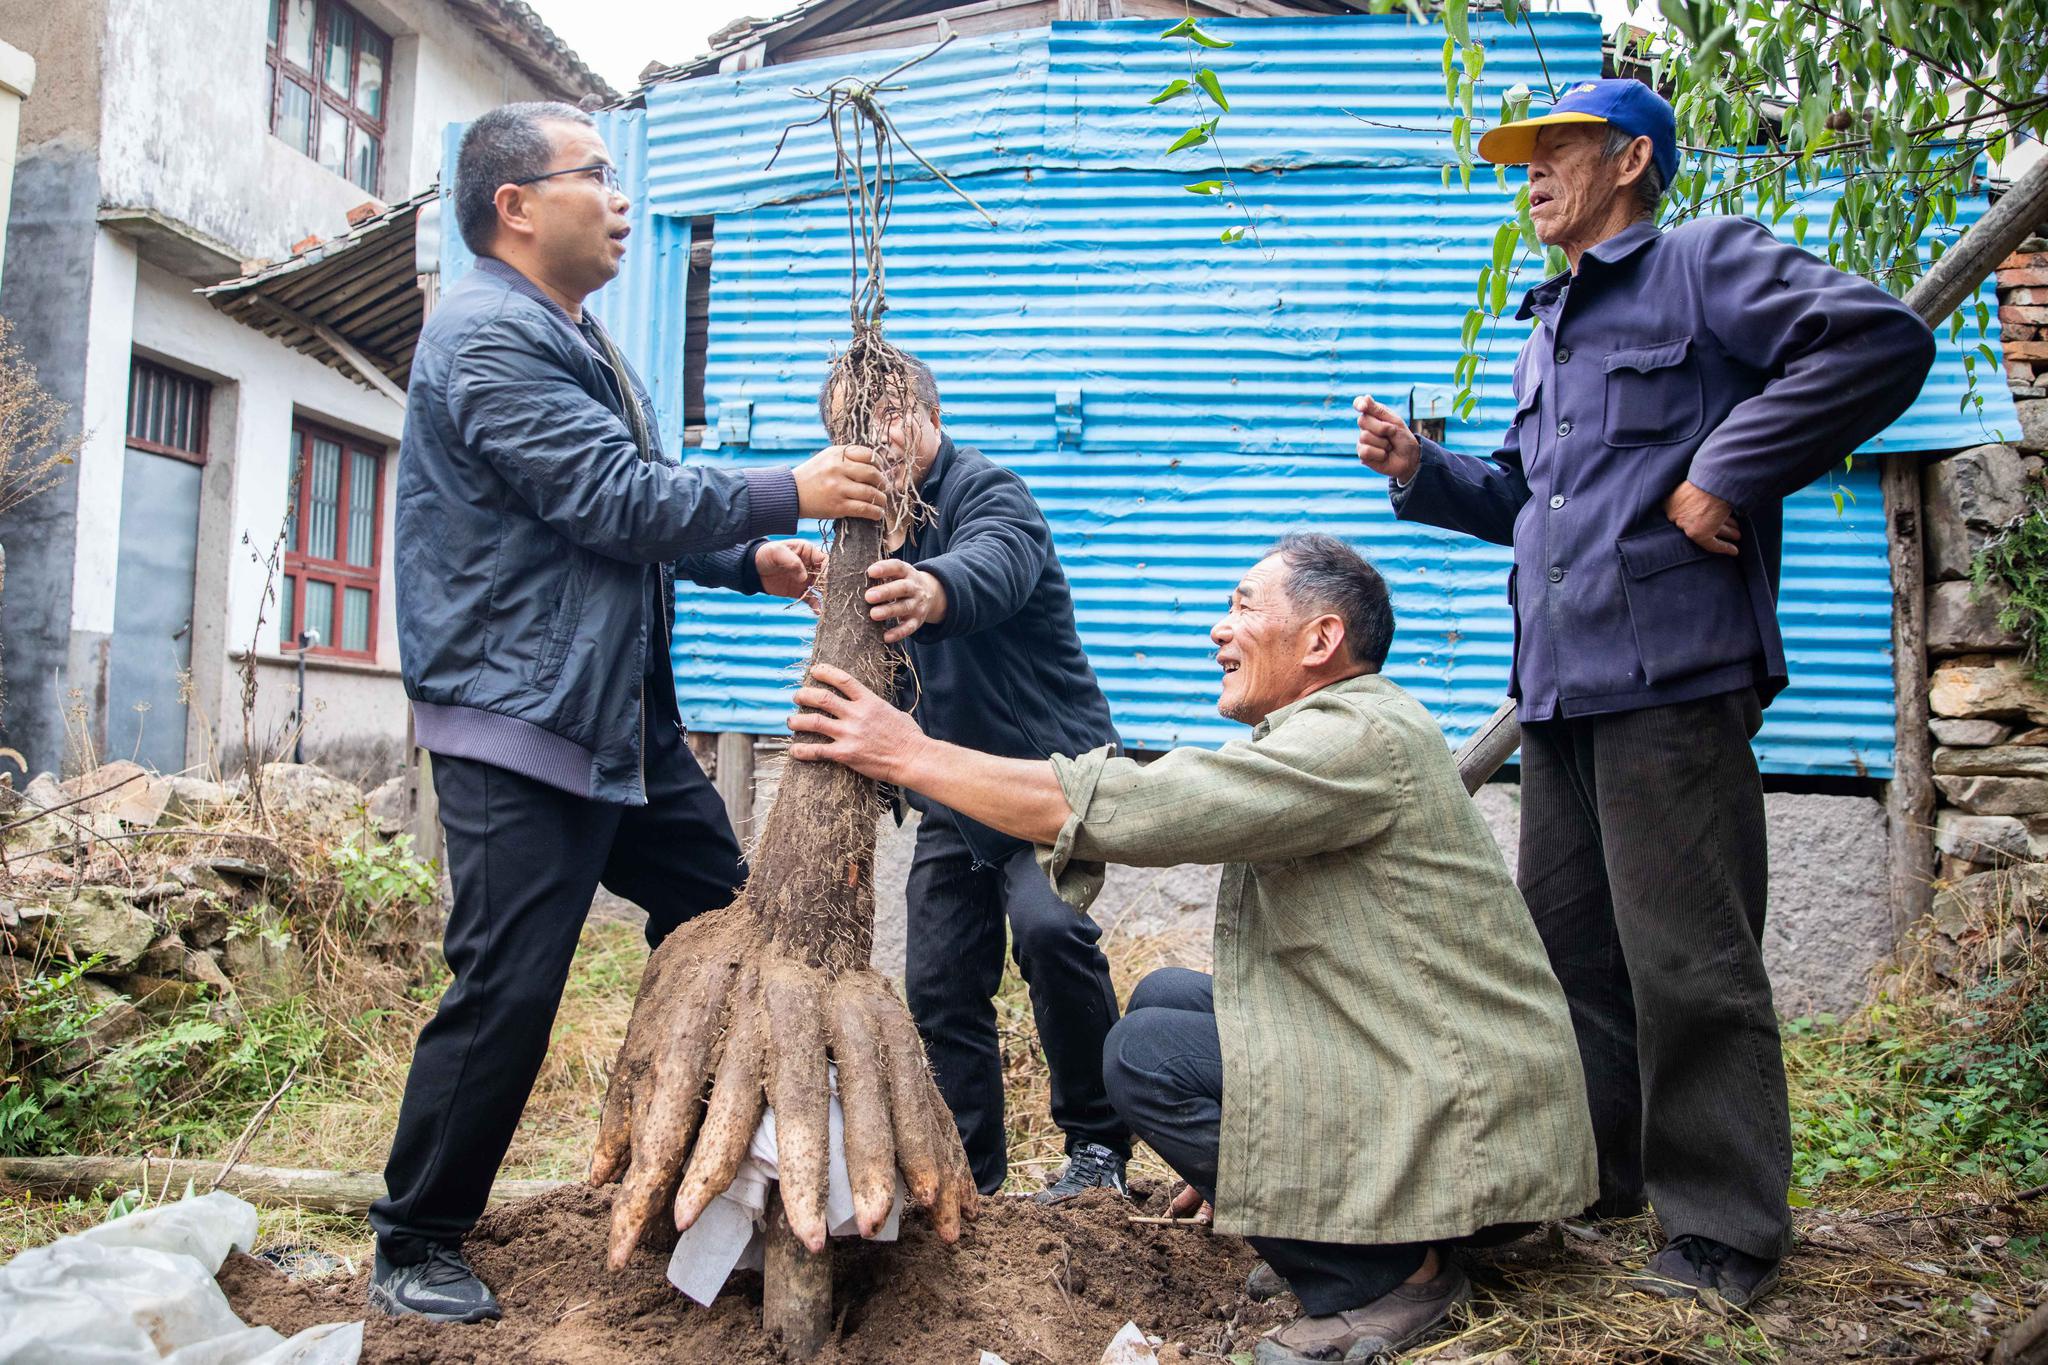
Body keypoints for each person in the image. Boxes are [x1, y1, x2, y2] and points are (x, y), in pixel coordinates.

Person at [1351, 78, 1938, 1306]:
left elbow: (1877, 339)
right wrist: (1421, 471)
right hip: (1559, 691)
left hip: (1671, 673)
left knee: (1687, 964)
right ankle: (1595, 1178)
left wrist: (1724, 469)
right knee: (1567, 963)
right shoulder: (1547, 327)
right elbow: (1530, 503)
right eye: (1523, 157)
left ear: (1627, 160)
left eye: (1555, 149)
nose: (1530, 173)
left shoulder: (1699, 265)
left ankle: (1722, 1231)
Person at [787, 534, 1598, 1363]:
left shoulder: (1353, 738)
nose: (1220, 627)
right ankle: (1319, 1216)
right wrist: (1246, 1146)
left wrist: (911, 753)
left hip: (1470, 1125)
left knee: (1147, 1055)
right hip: (1420, 1063)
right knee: (1165, 996)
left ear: (1321, 639)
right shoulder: (1339, 727)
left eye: (1244, 605)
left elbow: (1155, 805)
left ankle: (1389, 1273)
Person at [370, 101, 888, 1323]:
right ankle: (414, 1238)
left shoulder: (572, 335)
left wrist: (742, 559)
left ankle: (713, 1176)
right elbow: (609, 497)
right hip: (525, 722)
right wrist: (788, 489)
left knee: (729, 916)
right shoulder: (488, 338)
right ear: (514, 206)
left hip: (615, 720)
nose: (618, 199)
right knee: (509, 985)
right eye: (593, 175)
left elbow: (618, 507)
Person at [832, 353, 1132, 1202]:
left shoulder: (988, 490)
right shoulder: (862, 531)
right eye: (852, 424)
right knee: (938, 981)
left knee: (1050, 930)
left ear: (932, 415)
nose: (875, 437)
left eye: (889, 413)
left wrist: (931, 589)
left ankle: (1098, 1149)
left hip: (1044, 783)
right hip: (953, 795)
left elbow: (995, 565)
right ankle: (971, 1174)